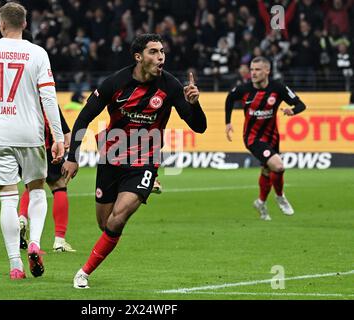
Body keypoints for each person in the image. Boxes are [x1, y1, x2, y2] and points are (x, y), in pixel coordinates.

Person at [62, 33, 207, 289]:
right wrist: (72, 157)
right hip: (111, 157)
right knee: (105, 223)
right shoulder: (115, 82)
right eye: (153, 52)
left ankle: (84, 272)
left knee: (119, 218)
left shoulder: (171, 86)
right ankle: (142, 189)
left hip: (145, 159)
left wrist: (194, 104)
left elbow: (200, 127)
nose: (160, 56)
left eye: (162, 51)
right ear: (138, 57)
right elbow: (83, 118)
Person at [0, 2, 64, 280]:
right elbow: (49, 98)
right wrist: (58, 136)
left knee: (7, 199)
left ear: (0, 24)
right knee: (36, 191)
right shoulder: (38, 53)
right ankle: (34, 242)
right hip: (29, 133)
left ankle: (15, 266)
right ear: (25, 24)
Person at [225, 56, 306, 221]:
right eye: (252, 70)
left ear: (267, 71)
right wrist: (228, 122)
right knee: (278, 166)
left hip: (273, 138)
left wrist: (293, 111)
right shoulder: (244, 89)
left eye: (258, 70)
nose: (253, 73)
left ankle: (261, 202)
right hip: (252, 138)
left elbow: (301, 105)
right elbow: (229, 99)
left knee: (268, 170)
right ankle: (280, 197)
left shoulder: (278, 88)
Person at [18, 106, 75, 253]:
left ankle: (22, 219)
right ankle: (59, 241)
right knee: (59, 184)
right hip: (42, 137)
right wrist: (65, 131)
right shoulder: (39, 82)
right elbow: (50, 102)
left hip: (17, 136)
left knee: (32, 184)